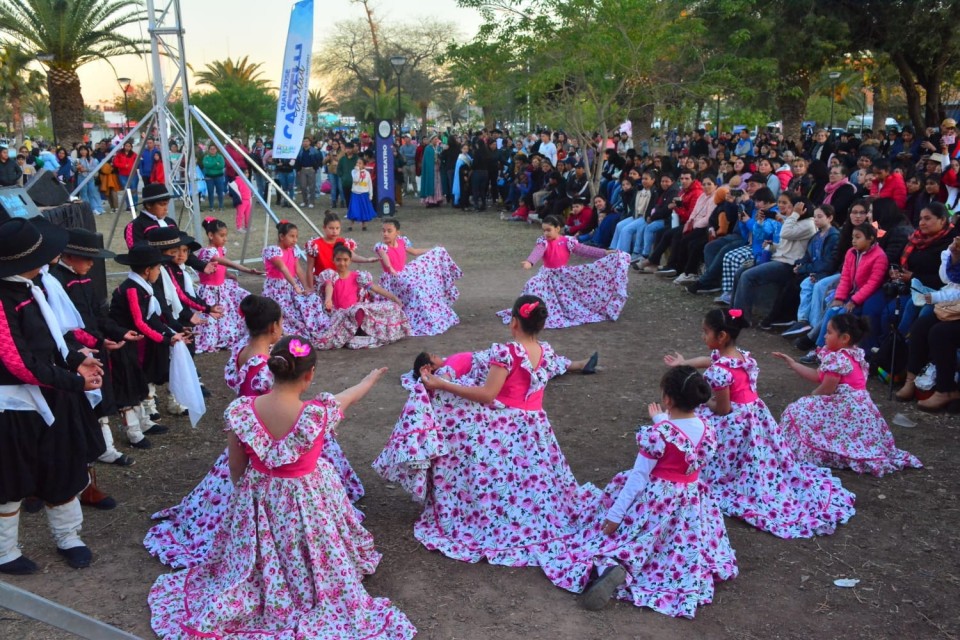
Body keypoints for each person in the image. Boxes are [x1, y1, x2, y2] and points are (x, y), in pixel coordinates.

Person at [148, 337, 416, 638]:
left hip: (260, 492)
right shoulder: (316, 414)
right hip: (308, 494)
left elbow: (236, 467)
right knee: (311, 542)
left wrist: (249, 497)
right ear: (310, 374)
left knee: (264, 548)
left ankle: (267, 582)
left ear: (272, 369)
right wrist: (370, 378)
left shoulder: (242, 411)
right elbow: (349, 396)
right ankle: (305, 582)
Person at [144, 298, 366, 569]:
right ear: (274, 327)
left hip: (248, 437)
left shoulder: (243, 351)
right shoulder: (265, 373)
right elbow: (277, 417)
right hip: (267, 444)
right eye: (282, 322)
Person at [381, 295, 601, 566]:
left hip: (505, 425)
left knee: (451, 428)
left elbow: (487, 395)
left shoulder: (506, 353)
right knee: (531, 478)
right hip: (535, 428)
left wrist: (442, 385)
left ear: (513, 323)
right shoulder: (546, 351)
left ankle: (465, 503)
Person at [538, 366, 737, 617]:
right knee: (672, 547)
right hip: (690, 503)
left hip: (656, 500)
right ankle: (656, 570)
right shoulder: (708, 429)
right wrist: (661, 421)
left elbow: (639, 476)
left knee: (622, 537)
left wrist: (615, 515)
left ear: (667, 398)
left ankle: (608, 568)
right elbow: (684, 436)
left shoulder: (657, 436)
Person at [665, 309, 855, 537]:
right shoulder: (741, 357)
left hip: (736, 422)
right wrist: (684, 363)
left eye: (706, 332)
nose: (703, 337)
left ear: (722, 336)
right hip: (755, 414)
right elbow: (707, 360)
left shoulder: (719, 372)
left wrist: (706, 402)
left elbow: (724, 409)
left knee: (693, 425)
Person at [0, 219, 106, 575]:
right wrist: (74, 381)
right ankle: (5, 550)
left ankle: (68, 536)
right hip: (15, 405)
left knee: (63, 465)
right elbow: (18, 363)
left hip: (54, 391)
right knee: (12, 479)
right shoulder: (2, 298)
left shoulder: (33, 287)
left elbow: (54, 341)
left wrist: (78, 359)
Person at [776, 314, 922, 476]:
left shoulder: (838, 358)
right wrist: (794, 364)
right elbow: (819, 375)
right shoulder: (852, 354)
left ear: (845, 338)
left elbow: (827, 388)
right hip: (859, 408)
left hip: (846, 405)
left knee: (798, 410)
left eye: (829, 332)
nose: (824, 335)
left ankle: (816, 450)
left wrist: (812, 397)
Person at [52, 229, 137, 467]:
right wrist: (94, 343)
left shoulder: (84, 279)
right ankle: (94, 448)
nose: (91, 263)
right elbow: (65, 326)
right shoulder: (59, 281)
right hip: (75, 351)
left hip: (95, 347)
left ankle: (105, 446)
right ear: (69, 256)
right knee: (86, 399)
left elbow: (98, 315)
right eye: (86, 258)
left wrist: (117, 333)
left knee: (101, 396)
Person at [107, 244, 181, 449]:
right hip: (122, 342)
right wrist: (164, 339)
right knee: (128, 385)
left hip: (136, 343)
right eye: (158, 267)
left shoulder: (145, 287)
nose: (160, 271)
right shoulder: (131, 289)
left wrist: (171, 333)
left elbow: (153, 318)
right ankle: (133, 431)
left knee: (139, 381)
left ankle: (143, 421)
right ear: (147, 270)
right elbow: (140, 322)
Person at [497, 215, 630, 329]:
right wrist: (530, 261)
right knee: (533, 286)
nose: (546, 234)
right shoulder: (544, 242)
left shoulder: (568, 241)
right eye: (544, 231)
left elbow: (585, 250)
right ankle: (530, 313)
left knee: (571, 297)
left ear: (557, 228)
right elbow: (538, 251)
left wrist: (604, 253)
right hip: (547, 275)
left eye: (548, 230)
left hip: (563, 276)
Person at [896, 236, 960, 410]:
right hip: (954, 306)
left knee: (940, 333)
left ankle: (946, 389)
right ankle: (912, 379)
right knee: (921, 325)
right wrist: (953, 256)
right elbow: (948, 279)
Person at [375, 218, 462, 336]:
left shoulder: (402, 241)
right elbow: (385, 259)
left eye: (389, 231)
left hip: (404, 273)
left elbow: (415, 251)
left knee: (426, 285)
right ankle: (416, 319)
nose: (385, 234)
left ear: (397, 233)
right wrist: (390, 268)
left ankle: (431, 316)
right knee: (416, 290)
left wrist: (433, 249)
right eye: (383, 231)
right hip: (392, 279)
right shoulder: (381, 247)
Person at [315, 245, 410, 349]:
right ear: (333, 260)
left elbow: (375, 288)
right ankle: (356, 333)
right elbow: (329, 286)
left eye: (345, 260)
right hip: (341, 314)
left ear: (350, 260)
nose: (342, 263)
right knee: (358, 310)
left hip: (357, 312)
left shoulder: (357, 276)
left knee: (390, 307)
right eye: (338, 260)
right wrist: (328, 299)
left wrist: (394, 298)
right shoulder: (331, 275)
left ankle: (360, 331)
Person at [193, 218, 262, 354]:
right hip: (210, 291)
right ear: (211, 235)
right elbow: (227, 262)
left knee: (232, 310)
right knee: (212, 317)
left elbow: (221, 267)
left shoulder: (220, 249)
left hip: (221, 288)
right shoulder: (208, 252)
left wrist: (227, 274)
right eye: (222, 235)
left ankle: (226, 334)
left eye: (226, 235)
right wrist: (246, 270)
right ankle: (211, 338)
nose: (225, 239)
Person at [261, 220, 328, 341]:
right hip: (277, 290)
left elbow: (298, 269)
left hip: (292, 286)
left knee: (312, 299)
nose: (295, 240)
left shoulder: (293, 250)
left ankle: (316, 327)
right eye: (292, 236)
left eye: (296, 236)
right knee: (286, 312)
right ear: (281, 236)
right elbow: (283, 268)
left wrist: (307, 287)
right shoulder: (272, 250)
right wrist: (295, 286)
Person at [346, 157, 376, 232]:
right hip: (355, 193)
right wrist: (358, 171)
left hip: (364, 193)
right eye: (357, 163)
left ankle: (364, 225)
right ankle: (351, 225)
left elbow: (369, 184)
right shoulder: (353, 171)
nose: (358, 164)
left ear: (364, 165)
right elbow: (356, 179)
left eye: (360, 163)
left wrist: (370, 194)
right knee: (354, 209)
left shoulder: (367, 173)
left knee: (363, 209)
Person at [74, 145, 103, 215]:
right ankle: (86, 209)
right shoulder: (78, 160)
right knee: (83, 194)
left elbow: (95, 168)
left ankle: (94, 208)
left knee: (91, 193)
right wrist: (77, 168)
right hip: (81, 178)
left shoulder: (92, 159)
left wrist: (86, 169)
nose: (83, 151)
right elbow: (74, 169)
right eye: (81, 150)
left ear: (87, 151)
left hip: (90, 178)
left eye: (85, 150)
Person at [420, 135, 444, 207]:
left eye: (437, 139)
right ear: (431, 140)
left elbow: (440, 156)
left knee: (437, 184)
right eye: (435, 139)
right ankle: (430, 200)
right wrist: (433, 161)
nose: (436, 140)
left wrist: (439, 160)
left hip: (437, 169)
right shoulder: (428, 148)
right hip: (430, 169)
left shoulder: (437, 148)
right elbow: (427, 160)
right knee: (431, 183)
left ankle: (437, 199)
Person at [201, 145, 226, 211]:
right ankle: (211, 206)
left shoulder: (220, 157)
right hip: (209, 177)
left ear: (216, 149)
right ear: (209, 150)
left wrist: (211, 165)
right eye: (211, 149)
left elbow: (221, 166)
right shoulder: (206, 157)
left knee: (220, 191)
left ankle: (221, 206)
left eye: (214, 149)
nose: (212, 150)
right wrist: (215, 163)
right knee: (210, 192)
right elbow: (206, 165)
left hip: (219, 176)